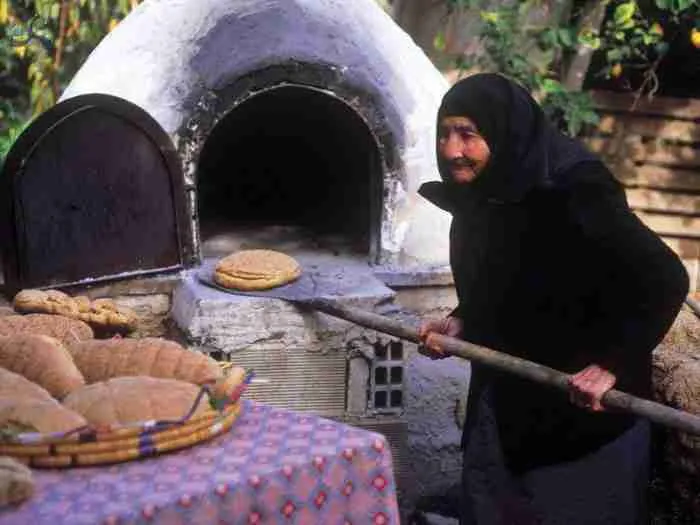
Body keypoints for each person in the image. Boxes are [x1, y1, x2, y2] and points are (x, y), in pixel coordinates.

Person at [417, 73, 689, 525]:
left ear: (503, 131)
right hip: (502, 408)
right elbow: (509, 276)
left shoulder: (576, 190)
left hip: (580, 425)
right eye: (445, 133)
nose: (451, 150)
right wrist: (464, 319)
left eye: (468, 134)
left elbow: (666, 277)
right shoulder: (485, 190)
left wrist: (613, 365)